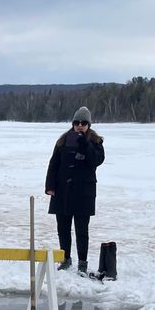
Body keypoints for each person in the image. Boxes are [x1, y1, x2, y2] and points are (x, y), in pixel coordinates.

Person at [45, 107, 104, 274]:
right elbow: (54, 164)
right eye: (77, 123)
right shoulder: (63, 140)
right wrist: (50, 186)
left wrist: (85, 145)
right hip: (62, 191)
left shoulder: (95, 141)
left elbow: (96, 161)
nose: (80, 126)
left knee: (81, 230)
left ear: (88, 124)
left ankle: (83, 263)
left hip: (83, 192)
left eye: (83, 123)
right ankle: (65, 259)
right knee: (63, 228)